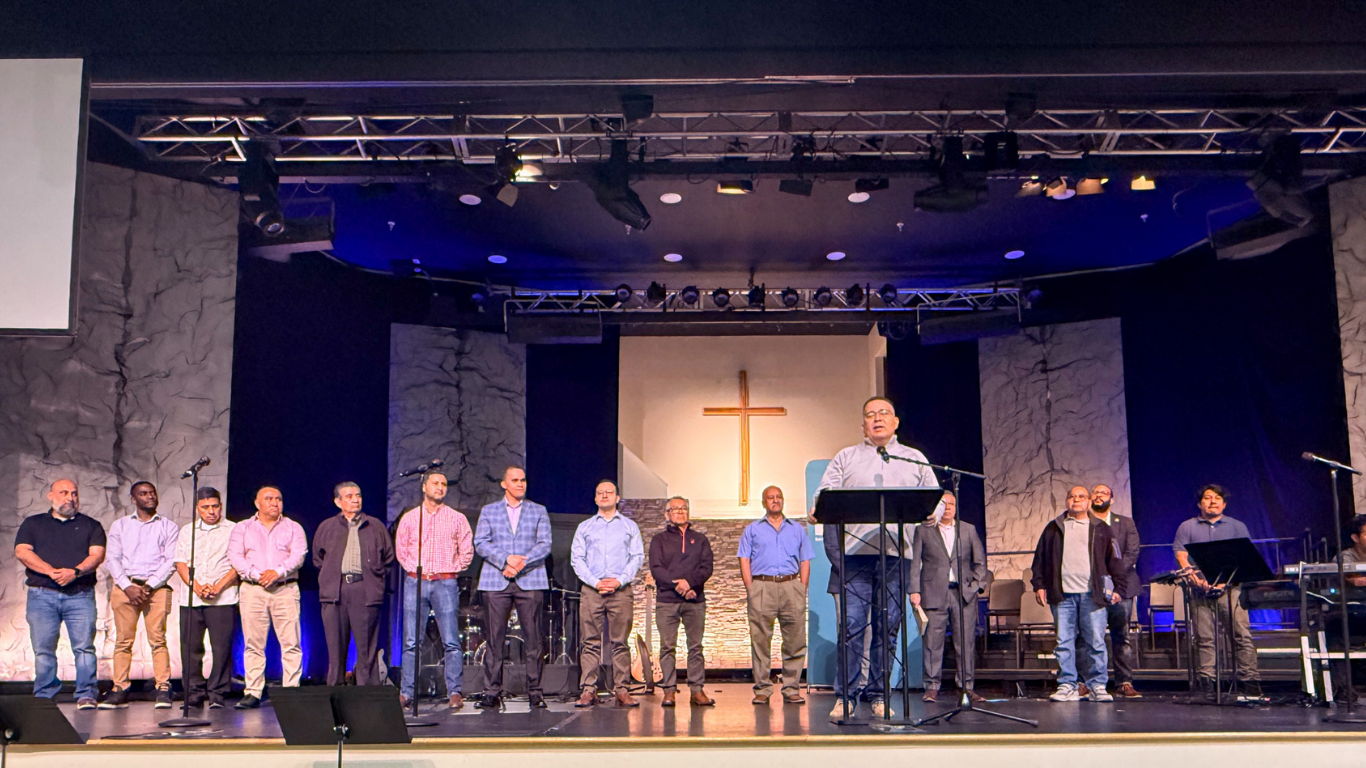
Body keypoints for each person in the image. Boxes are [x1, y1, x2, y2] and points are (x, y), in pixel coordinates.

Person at [816, 396, 937, 718]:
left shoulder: (914, 458)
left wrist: (931, 513)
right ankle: (846, 696)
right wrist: (819, 508)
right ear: (863, 424)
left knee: (888, 627)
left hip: (898, 556)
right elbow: (823, 494)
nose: (877, 418)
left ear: (896, 421)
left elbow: (933, 499)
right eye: (870, 414)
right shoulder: (847, 457)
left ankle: (880, 694)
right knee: (853, 626)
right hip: (856, 557)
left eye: (884, 413)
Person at [1030, 486, 1128, 703]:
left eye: (1081, 496)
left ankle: (1097, 686)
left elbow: (1115, 560)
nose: (1076, 500)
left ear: (1089, 501)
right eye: (1072, 496)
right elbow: (1039, 560)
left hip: (1092, 596)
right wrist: (1039, 585)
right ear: (1066, 501)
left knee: (1096, 642)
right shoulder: (1053, 528)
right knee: (1063, 642)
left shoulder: (1101, 528)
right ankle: (1067, 684)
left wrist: (1119, 589)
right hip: (1062, 596)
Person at [14, 479, 105, 710]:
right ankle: (45, 695)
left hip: (80, 594)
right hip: (42, 595)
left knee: (84, 646)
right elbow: (22, 551)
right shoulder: (33, 523)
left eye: (74, 493)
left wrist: (74, 572)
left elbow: (97, 555)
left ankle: (86, 693)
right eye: (64, 493)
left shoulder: (91, 525)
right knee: (43, 647)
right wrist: (51, 572)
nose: (70, 498)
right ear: (50, 496)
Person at [474, 466, 552, 710]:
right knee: (494, 639)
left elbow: (545, 544)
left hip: (530, 579)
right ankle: (491, 690)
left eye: (523, 480)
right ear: (504, 484)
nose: (520, 484)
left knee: (534, 639)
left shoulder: (538, 510)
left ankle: (535, 691)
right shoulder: (489, 511)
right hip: (496, 581)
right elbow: (481, 543)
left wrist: (520, 563)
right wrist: (506, 559)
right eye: (515, 480)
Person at [1173, 484, 1261, 698]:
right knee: (1204, 637)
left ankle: (1250, 682)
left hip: (1230, 589)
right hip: (1199, 589)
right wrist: (1195, 579)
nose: (1212, 501)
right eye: (1207, 497)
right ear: (1199, 503)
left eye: (1217, 498)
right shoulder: (1187, 526)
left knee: (1241, 635)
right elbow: (1181, 554)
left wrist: (1223, 583)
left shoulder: (1236, 526)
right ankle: (1207, 684)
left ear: (1224, 503)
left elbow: (1244, 556)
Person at [395, 471, 474, 710]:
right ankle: (406, 693)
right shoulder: (410, 518)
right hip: (415, 581)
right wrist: (415, 571)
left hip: (445, 582)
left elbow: (467, 550)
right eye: (435, 483)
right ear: (424, 487)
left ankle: (455, 692)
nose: (440, 487)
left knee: (451, 640)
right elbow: (401, 549)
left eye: (443, 484)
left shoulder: (457, 518)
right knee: (411, 641)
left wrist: (451, 570)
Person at [227, 485, 308, 709]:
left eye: (279, 499)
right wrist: (257, 575)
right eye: (269, 498)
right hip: (253, 589)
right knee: (253, 644)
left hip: (285, 588)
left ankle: (291, 690)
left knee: (291, 642)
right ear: (257, 503)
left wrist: (277, 572)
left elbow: (298, 556)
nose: (275, 503)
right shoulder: (242, 528)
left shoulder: (293, 527)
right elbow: (235, 556)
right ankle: (253, 691)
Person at [102, 481, 180, 709]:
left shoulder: (168, 526)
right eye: (144, 494)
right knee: (123, 640)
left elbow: (171, 560)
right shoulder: (121, 525)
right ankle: (120, 687)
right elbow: (112, 558)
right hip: (125, 588)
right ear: (133, 499)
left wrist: (148, 586)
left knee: (158, 639)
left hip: (155, 589)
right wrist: (127, 586)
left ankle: (163, 687)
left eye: (152, 493)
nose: (150, 497)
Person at [571, 480, 644, 708]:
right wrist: (595, 582)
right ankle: (588, 690)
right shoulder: (584, 527)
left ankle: (622, 689)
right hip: (592, 590)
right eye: (600, 493)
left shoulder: (629, 526)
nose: (604, 496)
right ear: (595, 499)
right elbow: (577, 559)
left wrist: (619, 580)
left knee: (619, 642)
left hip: (620, 591)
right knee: (590, 642)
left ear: (617, 498)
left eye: (609, 492)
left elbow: (637, 557)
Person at [313, 481, 395, 687]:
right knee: (335, 646)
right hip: (335, 592)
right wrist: (331, 578)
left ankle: (364, 694)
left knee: (366, 647)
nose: (355, 499)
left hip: (364, 591)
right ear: (337, 502)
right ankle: (336, 692)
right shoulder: (327, 527)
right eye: (349, 496)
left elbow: (388, 559)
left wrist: (375, 580)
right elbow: (318, 559)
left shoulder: (375, 526)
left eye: (358, 495)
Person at [909, 491, 987, 703]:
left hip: (963, 594)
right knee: (933, 642)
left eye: (952, 504)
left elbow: (980, 562)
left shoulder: (968, 529)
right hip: (933, 593)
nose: (948, 508)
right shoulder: (923, 531)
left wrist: (975, 587)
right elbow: (915, 563)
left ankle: (966, 686)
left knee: (965, 643)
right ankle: (932, 686)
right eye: (944, 504)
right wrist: (914, 590)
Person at [739, 486, 812, 706]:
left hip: (791, 585)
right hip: (762, 586)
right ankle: (762, 689)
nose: (775, 500)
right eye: (770, 498)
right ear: (763, 503)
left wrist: (802, 587)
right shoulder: (752, 530)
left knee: (795, 639)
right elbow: (744, 559)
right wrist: (751, 587)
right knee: (760, 639)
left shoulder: (797, 529)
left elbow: (806, 559)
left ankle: (791, 688)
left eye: (779, 497)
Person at [175, 487, 239, 708]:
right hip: (192, 599)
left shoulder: (234, 529)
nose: (211, 511)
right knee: (190, 648)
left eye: (215, 506)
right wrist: (197, 587)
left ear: (220, 506)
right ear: (197, 509)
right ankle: (192, 692)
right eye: (205, 507)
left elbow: (237, 564)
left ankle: (217, 693)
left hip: (224, 598)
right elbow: (181, 562)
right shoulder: (188, 531)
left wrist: (219, 586)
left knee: (221, 647)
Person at [649, 496, 715, 707]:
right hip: (667, 601)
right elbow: (657, 569)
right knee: (667, 647)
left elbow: (707, 567)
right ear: (667, 514)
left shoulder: (700, 539)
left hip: (695, 600)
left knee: (695, 647)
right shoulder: (658, 540)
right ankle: (669, 690)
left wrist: (690, 584)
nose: (680, 512)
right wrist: (679, 586)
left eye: (683, 508)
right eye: (675, 509)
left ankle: (697, 690)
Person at [1089, 483, 1143, 699]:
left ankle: (1124, 682)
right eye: (1096, 492)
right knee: (1091, 636)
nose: (1099, 495)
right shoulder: (1085, 523)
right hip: (1092, 589)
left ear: (1111, 500)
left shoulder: (1125, 523)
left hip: (1123, 587)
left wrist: (1114, 578)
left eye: (1104, 493)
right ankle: (1091, 682)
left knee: (1121, 636)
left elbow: (1132, 552)